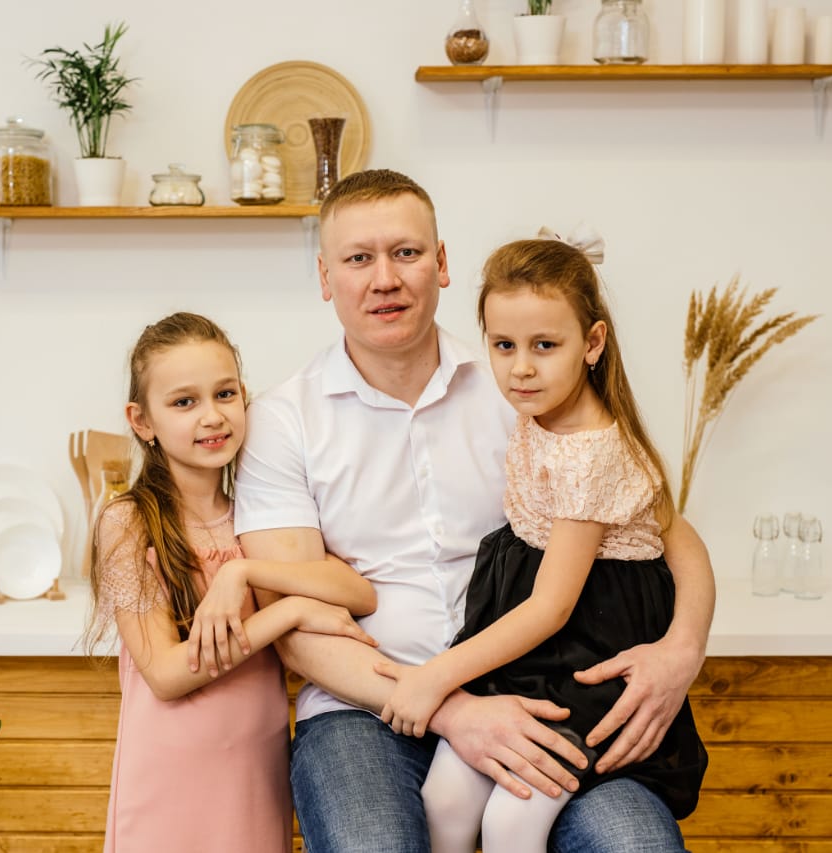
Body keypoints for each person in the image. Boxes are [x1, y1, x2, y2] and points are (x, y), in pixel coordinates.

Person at [235, 169, 716, 853]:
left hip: (544, 695)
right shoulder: (284, 420)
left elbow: (668, 532)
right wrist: (454, 709)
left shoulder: (521, 387)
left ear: (442, 262)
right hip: (364, 710)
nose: (384, 279)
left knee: (634, 846)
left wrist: (682, 649)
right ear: (325, 276)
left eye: (406, 253)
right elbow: (296, 626)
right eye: (359, 258)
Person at [373, 234, 709, 852]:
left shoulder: (590, 452)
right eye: (504, 345)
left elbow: (553, 606)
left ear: (593, 344)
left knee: (514, 817)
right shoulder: (538, 411)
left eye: (544, 346)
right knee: (444, 798)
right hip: (525, 645)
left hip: (581, 652)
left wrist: (434, 677)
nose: (521, 367)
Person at [84, 311, 378, 853]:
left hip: (255, 771)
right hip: (171, 780)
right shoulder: (129, 522)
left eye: (225, 394)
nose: (212, 416)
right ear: (141, 420)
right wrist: (289, 611)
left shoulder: (259, 513)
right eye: (184, 402)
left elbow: (359, 592)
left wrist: (246, 571)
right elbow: (167, 674)